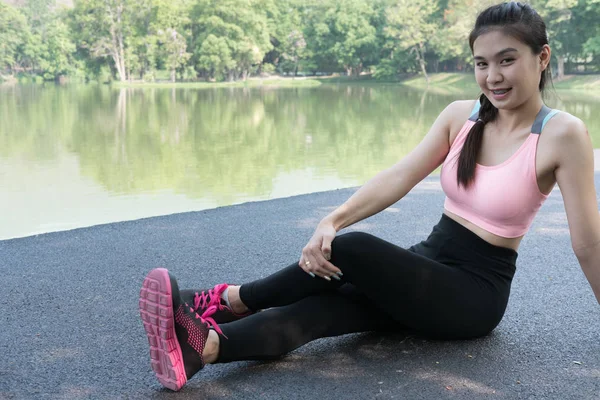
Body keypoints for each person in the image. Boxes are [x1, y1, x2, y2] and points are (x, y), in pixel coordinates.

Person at [138, 1, 600, 392]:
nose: (493, 76)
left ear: (542, 58)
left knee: (351, 249)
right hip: (427, 266)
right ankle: (204, 349)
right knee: (322, 309)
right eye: (482, 63)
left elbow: (589, 244)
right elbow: (399, 175)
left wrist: (337, 233)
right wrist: (331, 219)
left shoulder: (562, 134)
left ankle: (229, 299)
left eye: (507, 60)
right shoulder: (463, 116)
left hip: (473, 297)